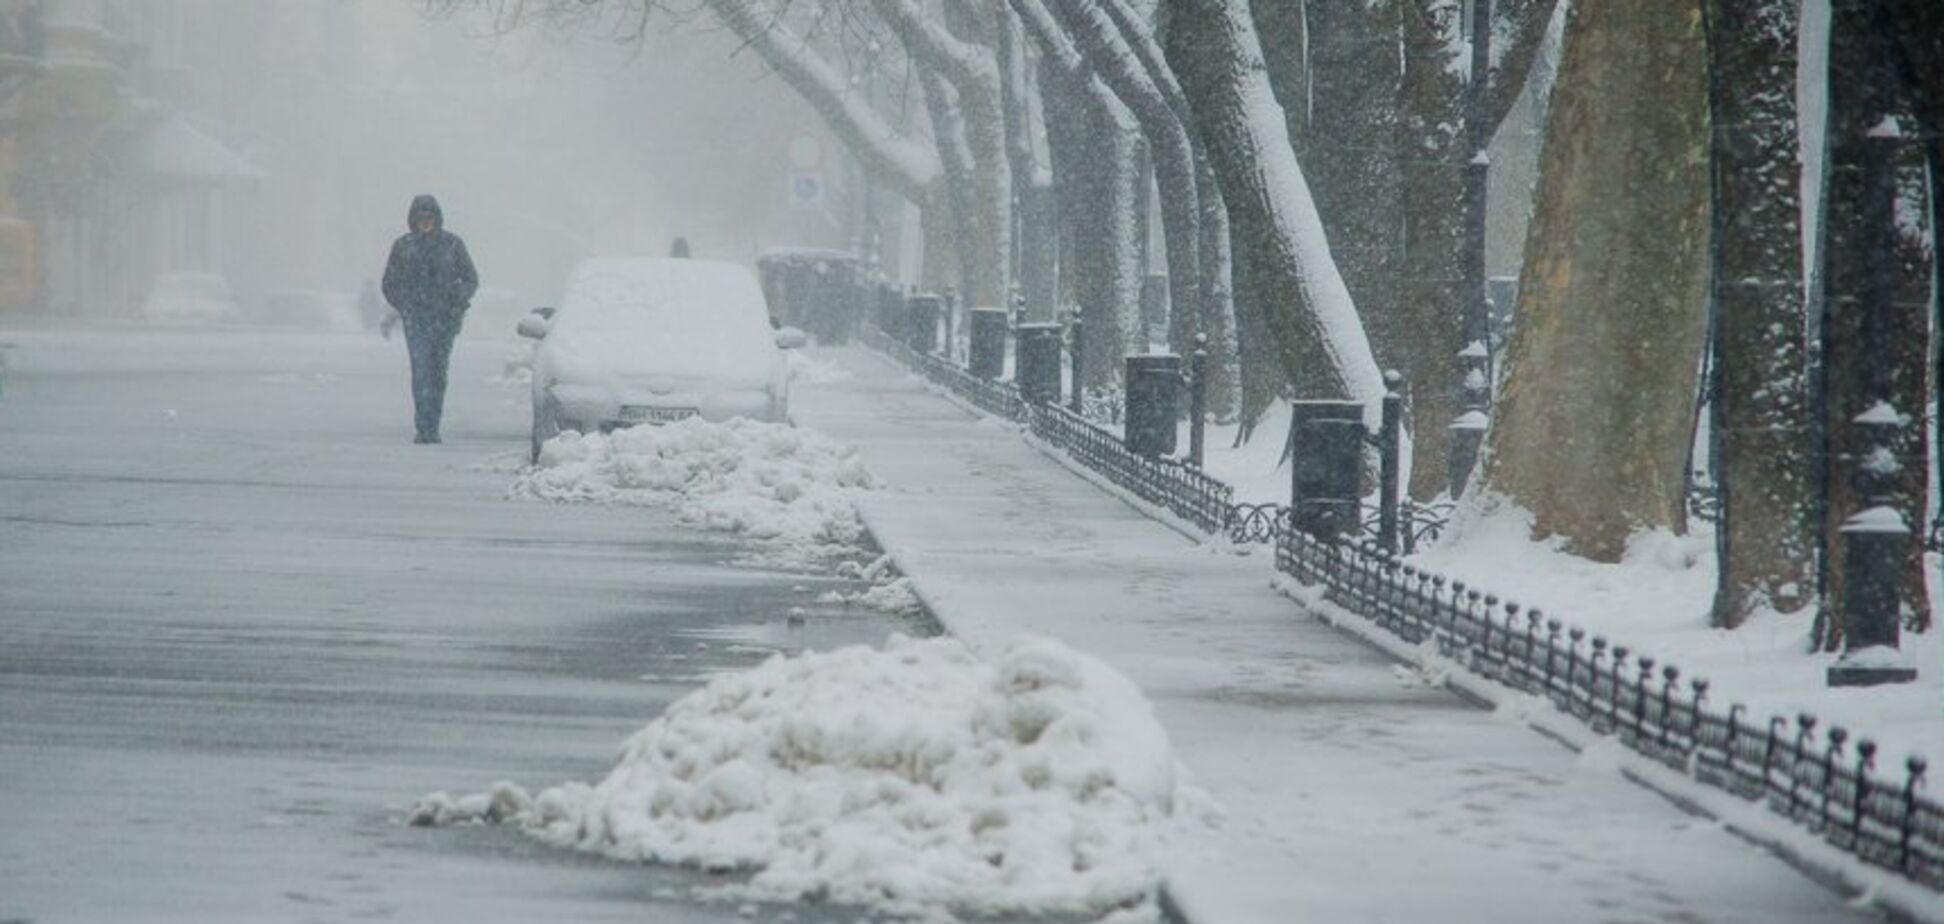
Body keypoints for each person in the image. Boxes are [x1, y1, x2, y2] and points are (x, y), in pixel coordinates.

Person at [381, 194, 477, 444]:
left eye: (430, 217)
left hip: (445, 319)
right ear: (413, 219)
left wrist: (456, 299)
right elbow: (389, 283)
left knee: (437, 372)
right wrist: (406, 305)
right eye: (421, 218)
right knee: (421, 370)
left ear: (437, 219)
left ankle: (433, 421)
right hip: (417, 320)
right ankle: (424, 426)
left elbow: (470, 279)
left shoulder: (452, 245)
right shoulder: (403, 246)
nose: (426, 222)